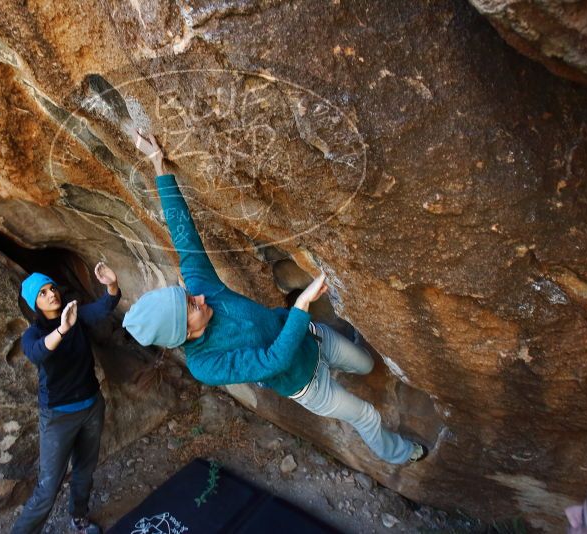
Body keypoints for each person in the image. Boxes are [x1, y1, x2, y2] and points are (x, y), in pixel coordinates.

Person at [122, 132, 426, 465]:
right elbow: (273, 362)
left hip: (313, 338)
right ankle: (400, 454)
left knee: (367, 364)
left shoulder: (201, 288)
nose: (198, 298)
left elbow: (185, 238)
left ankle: (345, 365)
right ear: (182, 333)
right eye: (192, 307)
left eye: (188, 295)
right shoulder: (205, 365)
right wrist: (300, 307)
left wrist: (159, 167)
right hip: (306, 384)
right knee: (366, 414)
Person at [11, 262, 121, 534]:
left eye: (52, 288)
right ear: (35, 304)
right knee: (48, 488)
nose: (51, 294)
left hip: (91, 406)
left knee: (85, 470)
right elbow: (37, 353)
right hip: (58, 416)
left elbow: (106, 305)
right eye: (43, 293)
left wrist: (111, 283)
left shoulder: (77, 317)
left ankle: (79, 518)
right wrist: (62, 329)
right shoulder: (33, 334)